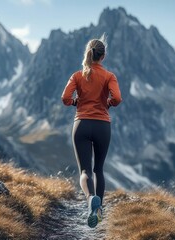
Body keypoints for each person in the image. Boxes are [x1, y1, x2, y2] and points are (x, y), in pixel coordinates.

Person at [61, 34, 122, 228]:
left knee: (85, 171)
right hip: (103, 125)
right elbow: (118, 98)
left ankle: (90, 200)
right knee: (98, 170)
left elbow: (65, 97)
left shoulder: (78, 75)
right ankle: (99, 209)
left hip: (82, 125)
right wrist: (109, 103)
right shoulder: (109, 76)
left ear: (88, 54)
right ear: (103, 57)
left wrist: (75, 102)